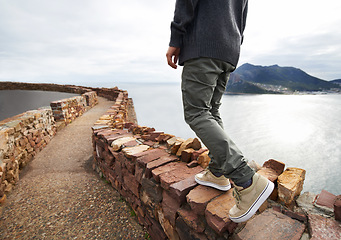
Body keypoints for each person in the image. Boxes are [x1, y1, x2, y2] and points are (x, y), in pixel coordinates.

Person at [166, 0, 274, 223]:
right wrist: (233, 45)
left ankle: (247, 181)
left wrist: (176, 39)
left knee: (197, 112)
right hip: (228, 50)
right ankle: (217, 172)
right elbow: (241, 18)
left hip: (202, 44)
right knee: (211, 111)